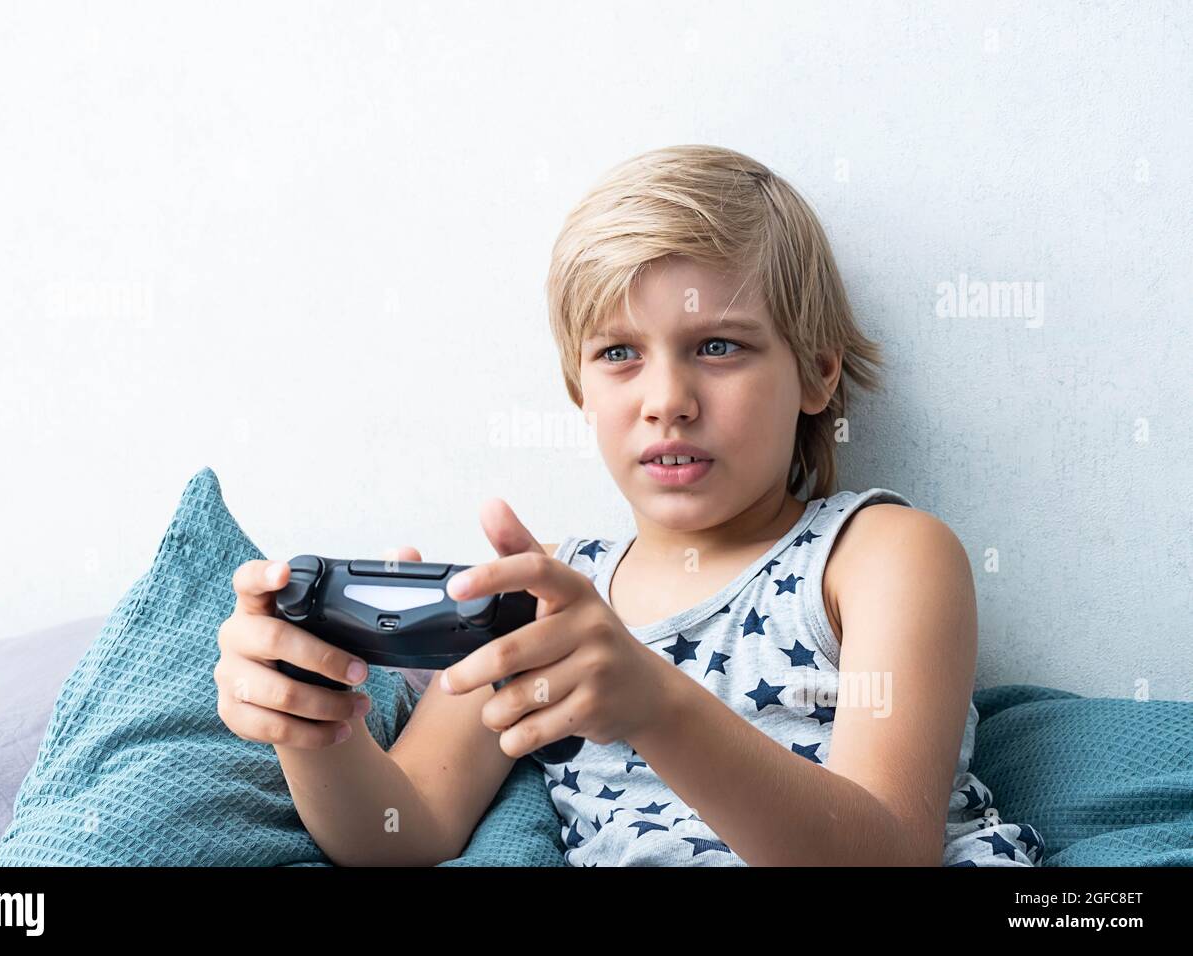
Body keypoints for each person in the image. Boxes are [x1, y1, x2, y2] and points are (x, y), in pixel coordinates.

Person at [214, 144, 1045, 867]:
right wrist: (309, 725)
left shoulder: (881, 556)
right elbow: (407, 828)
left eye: (718, 346)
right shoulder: (546, 596)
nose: (668, 400)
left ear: (819, 375)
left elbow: (889, 855)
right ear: (580, 391)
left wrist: (654, 704)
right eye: (619, 354)